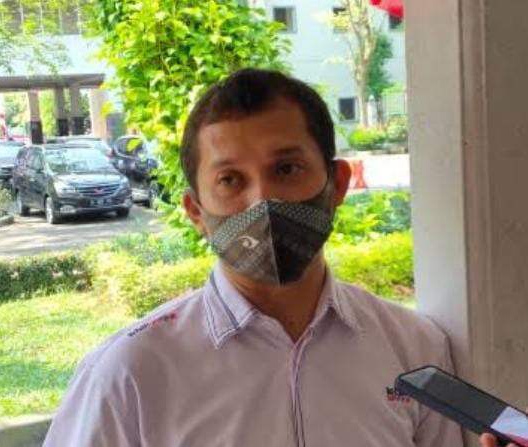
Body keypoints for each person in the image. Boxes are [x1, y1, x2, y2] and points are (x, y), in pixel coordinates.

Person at [43, 68, 463, 446]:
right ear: (196, 212)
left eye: (287, 169)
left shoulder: (414, 348)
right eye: (230, 180)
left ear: (337, 184)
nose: (263, 200)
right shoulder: (128, 374)